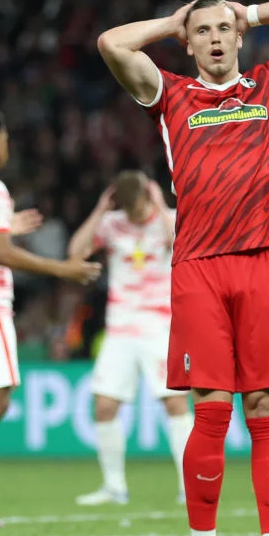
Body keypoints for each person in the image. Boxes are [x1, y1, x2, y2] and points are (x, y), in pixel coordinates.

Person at [98, 0, 269, 536]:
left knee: (266, 407)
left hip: (264, 261)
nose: (215, 39)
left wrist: (249, 12)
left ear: (239, 36)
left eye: (224, 29)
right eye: (202, 31)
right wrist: (171, 22)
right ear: (189, 43)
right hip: (199, 267)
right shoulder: (171, 95)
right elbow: (111, 43)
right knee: (210, 408)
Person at [0, 105, 102, 530]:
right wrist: (64, 270)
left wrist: (4, 225)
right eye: (5, 138)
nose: (7, 145)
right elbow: (1, 253)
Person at [68, 170, 193, 506]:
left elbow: (183, 245)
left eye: (138, 208)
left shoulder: (168, 219)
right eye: (128, 209)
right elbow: (76, 252)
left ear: (147, 197)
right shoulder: (111, 223)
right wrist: (99, 210)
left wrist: (161, 205)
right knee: (104, 405)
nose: (135, 216)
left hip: (160, 326)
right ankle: (114, 487)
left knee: (175, 403)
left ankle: (189, 486)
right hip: (120, 327)